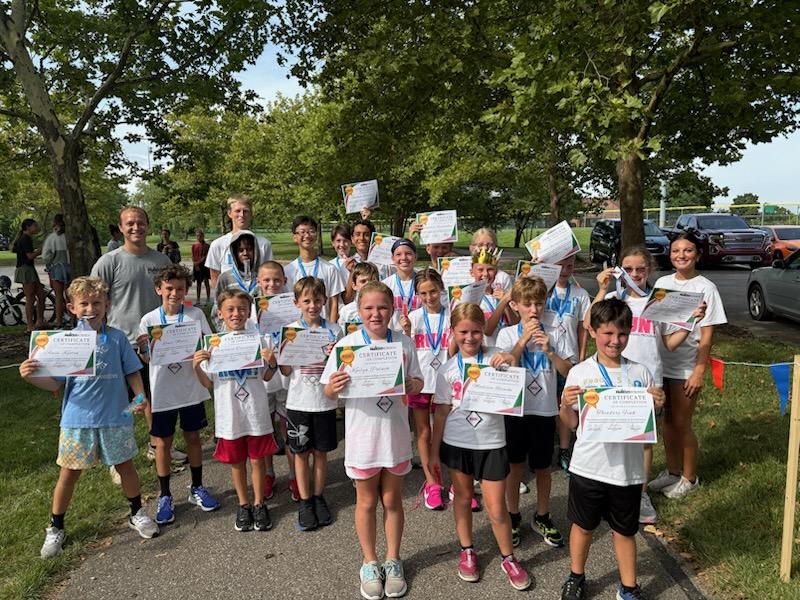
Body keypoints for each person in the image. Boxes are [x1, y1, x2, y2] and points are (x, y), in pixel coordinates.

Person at [19, 277, 159, 558]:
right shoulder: (64, 343)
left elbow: (131, 370)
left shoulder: (117, 338)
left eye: (97, 303)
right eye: (84, 303)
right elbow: (54, 384)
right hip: (77, 419)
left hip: (115, 417)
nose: (91, 308)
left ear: (107, 305)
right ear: (71, 307)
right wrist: (31, 377)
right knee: (68, 474)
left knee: (126, 467)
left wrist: (139, 395)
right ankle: (56, 526)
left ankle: (137, 512)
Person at [587, 246, 707, 523]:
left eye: (641, 269)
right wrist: (602, 290)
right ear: (620, 271)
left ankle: (639, 493)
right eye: (628, 269)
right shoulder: (615, 300)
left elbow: (668, 343)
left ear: (649, 270)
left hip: (648, 381)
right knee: (611, 436)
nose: (635, 274)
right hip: (613, 378)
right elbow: (588, 323)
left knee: (643, 441)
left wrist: (690, 322)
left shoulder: (659, 300)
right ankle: (611, 488)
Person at [322, 281, 424, 600]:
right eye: (368, 308)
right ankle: (369, 561)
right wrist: (334, 386)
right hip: (363, 437)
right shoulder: (348, 345)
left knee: (392, 501)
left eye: (382, 307)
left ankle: (393, 559)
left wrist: (410, 384)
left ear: (392, 309)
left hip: (393, 436)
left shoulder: (404, 344)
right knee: (366, 502)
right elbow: (328, 390)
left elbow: (419, 382)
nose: (375, 313)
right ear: (359, 311)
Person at [559, 298, 665, 600]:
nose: (615, 341)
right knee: (582, 527)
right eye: (607, 333)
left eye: (621, 334)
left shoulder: (641, 373)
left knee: (626, 531)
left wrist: (657, 406)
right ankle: (575, 576)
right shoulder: (580, 373)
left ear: (630, 333)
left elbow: (648, 427)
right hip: (588, 467)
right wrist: (565, 405)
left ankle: (628, 587)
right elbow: (569, 423)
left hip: (626, 472)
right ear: (592, 331)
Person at [429, 302, 531, 591]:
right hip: (458, 442)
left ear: (483, 332)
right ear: (453, 332)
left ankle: (508, 557)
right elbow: (441, 411)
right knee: (461, 498)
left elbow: (513, 373)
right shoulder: (448, 369)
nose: (470, 338)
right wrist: (434, 452)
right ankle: (467, 550)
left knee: (497, 508)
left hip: (492, 442)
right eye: (463, 332)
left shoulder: (496, 359)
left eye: (476, 332)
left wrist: (509, 359)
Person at [91, 207, 182, 468]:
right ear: (121, 228)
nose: (136, 228)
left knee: (155, 396)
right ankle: (116, 455)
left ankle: (158, 446)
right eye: (130, 223)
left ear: (148, 225)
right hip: (122, 343)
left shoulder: (162, 262)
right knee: (122, 402)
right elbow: (92, 298)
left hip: (156, 341)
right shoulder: (109, 262)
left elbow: (172, 296)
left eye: (140, 223)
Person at [137, 265, 220, 526]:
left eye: (180, 289)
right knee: (163, 444)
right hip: (163, 392)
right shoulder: (149, 320)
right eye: (169, 288)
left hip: (191, 389)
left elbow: (209, 344)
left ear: (187, 290)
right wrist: (143, 350)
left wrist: (205, 353)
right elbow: (148, 358)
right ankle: (165, 495)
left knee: (194, 438)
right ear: (158, 289)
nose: (175, 293)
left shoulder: (195, 315)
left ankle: (196, 487)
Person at [193, 289, 280, 532]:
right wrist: (196, 367)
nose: (236, 313)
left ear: (249, 312)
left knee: (257, 460)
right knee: (237, 461)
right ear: (219, 313)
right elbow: (209, 384)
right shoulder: (213, 344)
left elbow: (267, 376)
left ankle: (259, 503)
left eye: (241, 309)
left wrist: (272, 362)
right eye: (230, 309)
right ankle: (243, 504)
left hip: (255, 411)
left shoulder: (260, 340)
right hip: (229, 414)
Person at [496, 276, 573, 549]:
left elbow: (568, 372)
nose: (533, 310)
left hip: (544, 410)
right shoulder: (507, 334)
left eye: (539, 304)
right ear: (515, 306)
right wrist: (523, 340)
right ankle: (513, 515)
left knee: (543, 467)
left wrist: (550, 351)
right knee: (515, 466)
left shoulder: (555, 330)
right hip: (516, 411)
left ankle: (542, 515)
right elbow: (504, 366)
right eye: (527, 304)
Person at [649, 233, 726, 499]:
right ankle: (672, 471)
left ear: (697, 255)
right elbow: (653, 322)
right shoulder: (661, 283)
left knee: (683, 422)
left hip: (685, 367)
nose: (681, 255)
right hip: (661, 364)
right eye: (676, 250)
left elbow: (707, 335)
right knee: (668, 422)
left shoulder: (706, 288)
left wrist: (699, 370)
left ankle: (689, 478)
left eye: (688, 250)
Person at [280, 277, 343, 531]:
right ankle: (304, 501)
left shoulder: (334, 330)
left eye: (317, 300)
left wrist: (333, 354)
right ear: (297, 303)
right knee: (300, 453)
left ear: (324, 301)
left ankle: (318, 497)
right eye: (306, 300)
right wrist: (280, 354)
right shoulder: (291, 330)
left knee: (321, 452)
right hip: (298, 402)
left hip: (325, 402)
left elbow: (340, 367)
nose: (313, 305)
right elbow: (285, 371)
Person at [400, 268, 450, 510]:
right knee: (423, 432)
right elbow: (406, 350)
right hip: (421, 381)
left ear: (441, 288)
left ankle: (458, 484)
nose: (429, 297)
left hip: (447, 383)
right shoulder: (413, 318)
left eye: (433, 291)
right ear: (417, 294)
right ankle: (431, 482)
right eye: (423, 293)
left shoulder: (452, 316)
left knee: (448, 433)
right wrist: (407, 332)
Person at [542, 254, 590, 473]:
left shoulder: (580, 294)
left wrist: (580, 356)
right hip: (542, 357)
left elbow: (582, 328)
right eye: (560, 265)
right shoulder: (542, 290)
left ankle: (563, 448)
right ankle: (541, 448)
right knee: (543, 404)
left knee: (565, 404)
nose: (564, 270)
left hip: (568, 358)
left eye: (569, 265)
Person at [254, 261, 297, 502]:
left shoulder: (293, 307)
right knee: (265, 428)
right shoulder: (251, 310)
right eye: (266, 280)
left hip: (287, 377)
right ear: (258, 282)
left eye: (277, 280)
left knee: (287, 427)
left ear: (285, 281)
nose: (272, 284)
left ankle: (293, 475)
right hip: (262, 379)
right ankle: (269, 473)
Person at [283, 216, 345, 322]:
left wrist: (332, 330)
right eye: (302, 232)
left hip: (324, 330)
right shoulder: (288, 271)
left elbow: (334, 303)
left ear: (316, 235)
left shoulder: (330, 269)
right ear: (295, 237)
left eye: (311, 231)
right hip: (298, 330)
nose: (307, 236)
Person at [206, 194, 273, 289]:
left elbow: (269, 275)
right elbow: (215, 279)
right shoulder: (218, 245)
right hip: (230, 301)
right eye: (237, 211)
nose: (241, 215)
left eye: (245, 211)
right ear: (229, 213)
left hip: (257, 300)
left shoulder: (264, 244)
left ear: (251, 213)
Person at [471, 247, 517, 347]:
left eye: (490, 269)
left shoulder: (501, 295)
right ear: (472, 272)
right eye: (480, 270)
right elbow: (487, 331)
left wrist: (506, 305)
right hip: (485, 353)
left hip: (506, 351)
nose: (485, 274)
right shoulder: (472, 299)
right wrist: (504, 302)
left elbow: (515, 324)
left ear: (496, 272)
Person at [12, 218, 46, 331]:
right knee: (30, 297)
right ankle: (30, 325)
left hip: (30, 269)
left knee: (41, 295)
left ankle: (40, 321)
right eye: (34, 226)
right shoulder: (25, 238)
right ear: (27, 227)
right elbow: (29, 256)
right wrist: (40, 251)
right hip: (25, 270)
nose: (36, 228)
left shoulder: (27, 238)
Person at [382, 238, 422, 333]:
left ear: (415, 256)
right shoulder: (385, 285)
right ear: (393, 258)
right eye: (398, 254)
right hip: (393, 337)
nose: (403, 258)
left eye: (408, 253)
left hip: (419, 334)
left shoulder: (423, 282)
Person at [42, 214, 71, 328]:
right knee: (70, 295)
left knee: (58, 297)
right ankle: (73, 319)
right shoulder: (70, 235)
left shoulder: (52, 237)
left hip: (57, 268)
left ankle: (59, 321)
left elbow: (46, 256)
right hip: (71, 268)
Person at [338, 261, 380, 333]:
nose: (368, 285)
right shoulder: (346, 311)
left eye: (372, 280)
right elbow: (343, 338)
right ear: (354, 286)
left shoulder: (384, 308)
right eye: (363, 281)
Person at [192, 229, 211, 303]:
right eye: (197, 236)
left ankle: (208, 298)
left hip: (204, 266)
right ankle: (198, 299)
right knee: (198, 283)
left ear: (203, 236)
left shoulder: (207, 246)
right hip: (197, 266)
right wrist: (195, 263)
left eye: (200, 236)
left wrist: (199, 262)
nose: (199, 237)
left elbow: (207, 256)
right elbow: (193, 255)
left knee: (206, 282)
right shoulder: (194, 245)